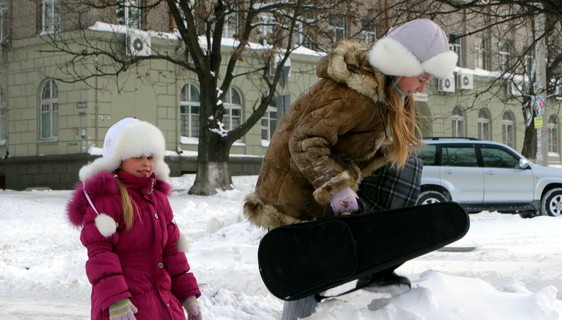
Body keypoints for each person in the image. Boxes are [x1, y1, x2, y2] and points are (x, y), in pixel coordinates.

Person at [243, 18, 457, 319]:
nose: (422, 87)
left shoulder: (390, 94)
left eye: (427, 81)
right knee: (312, 273)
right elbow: (306, 140)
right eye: (421, 78)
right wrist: (337, 188)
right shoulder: (356, 94)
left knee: (406, 168)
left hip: (324, 181)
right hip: (297, 187)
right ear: (402, 65)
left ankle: (379, 265)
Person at [66, 118, 203, 320]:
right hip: (126, 309)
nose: (146, 163)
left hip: (163, 304)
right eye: (137, 156)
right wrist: (116, 299)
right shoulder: (107, 201)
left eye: (150, 156)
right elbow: (100, 253)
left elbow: (172, 251)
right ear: (117, 159)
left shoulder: (158, 199)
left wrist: (188, 294)